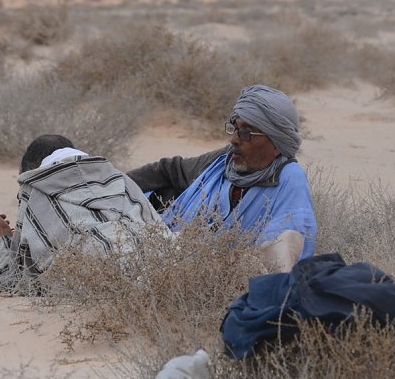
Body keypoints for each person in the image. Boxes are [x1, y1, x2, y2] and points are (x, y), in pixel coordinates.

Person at [127, 85, 317, 272]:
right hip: (161, 253)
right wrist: (118, 183)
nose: (234, 139)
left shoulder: (290, 181)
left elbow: (282, 253)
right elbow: (170, 170)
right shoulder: (224, 160)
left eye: (246, 133)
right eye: (235, 128)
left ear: (276, 144)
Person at [0, 134, 165, 276]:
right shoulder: (119, 179)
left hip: (109, 280)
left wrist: (1, 235)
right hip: (164, 265)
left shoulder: (36, 189)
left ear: (32, 173)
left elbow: (17, 277)